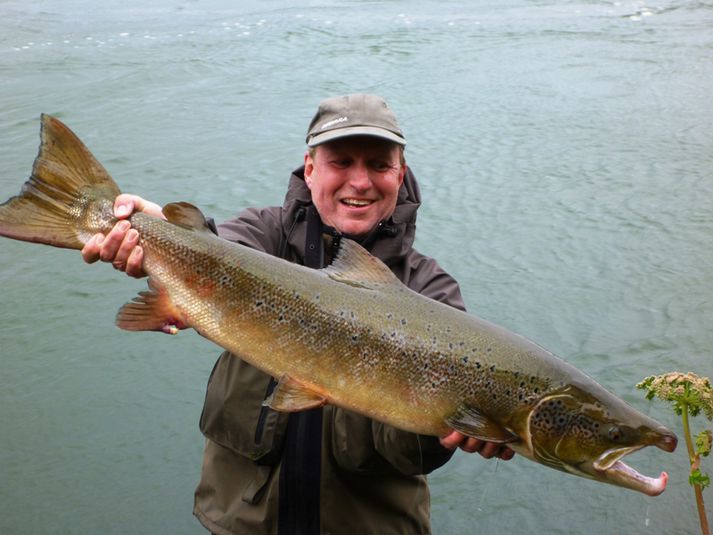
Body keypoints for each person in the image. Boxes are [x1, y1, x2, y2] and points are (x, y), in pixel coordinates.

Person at [82, 94, 515, 535]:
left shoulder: (431, 293)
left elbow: (407, 457)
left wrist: (442, 430)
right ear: (310, 169)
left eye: (379, 166)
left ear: (399, 175)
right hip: (243, 523)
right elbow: (216, 251)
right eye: (341, 162)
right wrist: (151, 230)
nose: (360, 182)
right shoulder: (263, 234)